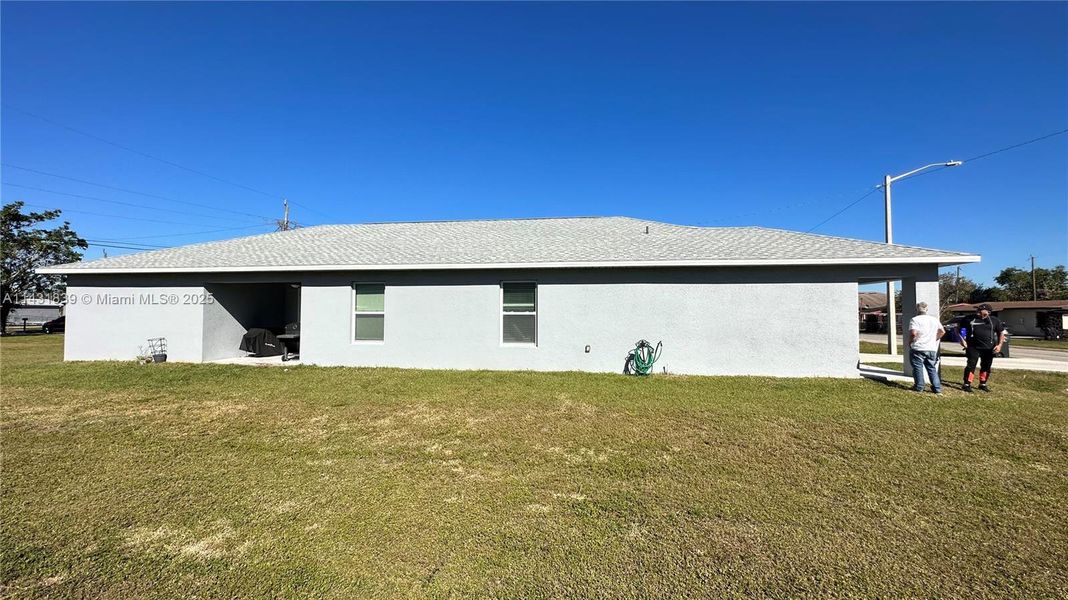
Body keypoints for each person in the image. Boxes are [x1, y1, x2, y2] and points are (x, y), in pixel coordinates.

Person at [959, 303, 1006, 392]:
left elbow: (1001, 333)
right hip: (972, 346)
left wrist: (999, 345)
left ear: (987, 312)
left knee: (986, 366)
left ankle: (983, 383)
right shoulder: (968, 319)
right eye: (977, 310)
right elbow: (959, 329)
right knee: (971, 364)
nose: (977, 311)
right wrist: (962, 339)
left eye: (980, 310)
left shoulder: (994, 321)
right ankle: (967, 384)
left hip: (988, 348)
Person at [908, 302, 945, 394]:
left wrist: (910, 341)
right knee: (931, 368)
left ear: (917, 309)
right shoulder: (934, 319)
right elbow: (942, 331)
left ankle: (919, 386)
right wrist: (934, 339)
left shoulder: (915, 319)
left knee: (918, 367)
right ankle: (937, 388)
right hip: (931, 348)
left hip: (918, 347)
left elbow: (913, 333)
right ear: (927, 309)